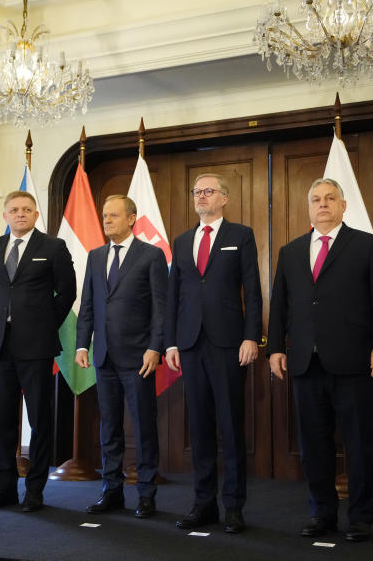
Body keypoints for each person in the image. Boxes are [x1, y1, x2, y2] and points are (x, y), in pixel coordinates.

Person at [267, 178, 373, 543]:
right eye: (316, 199)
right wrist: (276, 348)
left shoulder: (368, 245)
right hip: (305, 363)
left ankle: (360, 517)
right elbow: (280, 304)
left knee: (360, 444)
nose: (322, 204)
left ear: (343, 206)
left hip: (356, 360)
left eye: (330, 199)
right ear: (308, 207)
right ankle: (322, 513)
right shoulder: (290, 252)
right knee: (313, 446)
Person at [164, 173, 262, 534]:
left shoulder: (241, 236)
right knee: (200, 427)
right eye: (197, 191)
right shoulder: (182, 239)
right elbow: (174, 295)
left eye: (209, 191)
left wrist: (252, 336)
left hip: (228, 344)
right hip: (189, 344)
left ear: (224, 199)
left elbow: (252, 291)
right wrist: (171, 342)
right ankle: (203, 504)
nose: (202, 196)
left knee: (230, 425)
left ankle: (234, 506)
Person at [0, 190, 76, 512]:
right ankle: (3, 489)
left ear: (36, 215)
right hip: (0, 347)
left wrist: (45, 325)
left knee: (40, 420)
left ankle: (35, 491)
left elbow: (67, 293)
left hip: (36, 347)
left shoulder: (53, 247)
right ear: (5, 215)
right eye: (14, 210)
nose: (20, 214)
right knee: (2, 421)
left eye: (27, 210)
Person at [75, 195, 168, 519]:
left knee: (143, 427)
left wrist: (155, 348)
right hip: (104, 358)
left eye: (113, 216)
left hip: (139, 358)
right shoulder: (95, 256)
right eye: (104, 216)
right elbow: (88, 304)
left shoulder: (151, 255)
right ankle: (111, 491)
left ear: (131, 219)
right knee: (109, 428)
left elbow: (161, 308)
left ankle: (146, 494)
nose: (107, 221)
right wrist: (82, 345)